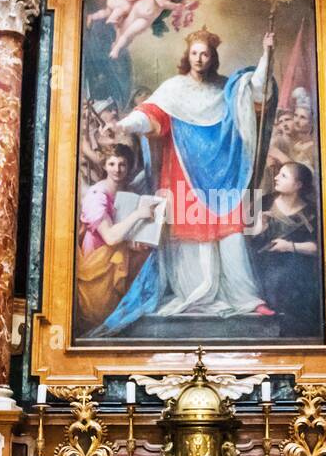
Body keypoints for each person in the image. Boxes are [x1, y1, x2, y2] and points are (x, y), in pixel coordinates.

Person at [97, 27, 276, 332]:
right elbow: (149, 115)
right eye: (194, 53)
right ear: (187, 55)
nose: (199, 59)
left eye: (205, 53)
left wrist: (267, 54)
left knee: (231, 235)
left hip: (224, 177)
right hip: (183, 172)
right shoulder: (174, 89)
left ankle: (246, 299)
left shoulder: (227, 89)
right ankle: (195, 296)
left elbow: (257, 91)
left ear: (212, 57)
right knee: (190, 236)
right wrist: (123, 126)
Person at [75, 144, 157, 331]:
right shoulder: (96, 196)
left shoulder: (127, 193)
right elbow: (111, 237)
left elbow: (124, 234)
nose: (117, 170)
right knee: (101, 313)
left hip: (118, 259)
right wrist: (138, 214)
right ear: (104, 166)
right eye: (112, 164)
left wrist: (135, 243)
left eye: (122, 164)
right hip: (98, 262)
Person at [252, 162, 321, 337]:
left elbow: (317, 248)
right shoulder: (265, 202)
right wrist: (262, 225)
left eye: (283, 176)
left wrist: (289, 247)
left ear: (298, 185)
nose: (276, 178)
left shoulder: (312, 211)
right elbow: (252, 242)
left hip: (297, 270)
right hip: (265, 267)